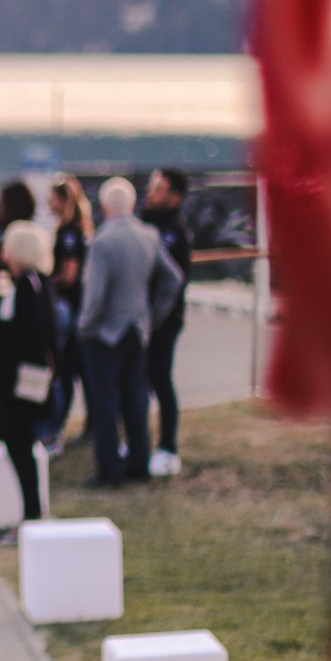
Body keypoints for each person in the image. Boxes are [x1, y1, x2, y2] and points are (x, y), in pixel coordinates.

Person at [75, 176, 182, 487]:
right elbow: (172, 279)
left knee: (105, 402)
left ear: (105, 206)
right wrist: (151, 315)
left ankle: (109, 470)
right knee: (136, 399)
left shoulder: (102, 242)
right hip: (138, 328)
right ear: (132, 204)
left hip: (106, 332)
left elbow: (95, 295)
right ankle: (139, 463)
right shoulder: (148, 235)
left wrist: (85, 326)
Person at [0, 221, 59, 520]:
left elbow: (28, 335)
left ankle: (32, 513)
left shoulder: (27, 286)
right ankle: (32, 511)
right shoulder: (36, 282)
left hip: (22, 384)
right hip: (26, 380)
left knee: (20, 447)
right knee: (21, 447)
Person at [140, 168, 194, 476]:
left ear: (174, 197)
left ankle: (168, 447)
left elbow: (173, 283)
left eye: (158, 189)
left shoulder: (174, 233)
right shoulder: (146, 223)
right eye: (150, 187)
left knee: (160, 379)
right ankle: (140, 441)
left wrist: (155, 319)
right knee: (139, 383)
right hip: (143, 318)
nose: (150, 193)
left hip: (164, 321)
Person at [42, 175, 94, 452]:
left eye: (51, 197)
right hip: (76, 307)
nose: (48, 203)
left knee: (62, 370)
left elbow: (70, 275)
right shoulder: (76, 230)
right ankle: (90, 425)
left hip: (67, 308)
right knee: (77, 370)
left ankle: (54, 429)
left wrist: (45, 280)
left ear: (62, 200)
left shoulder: (68, 234)